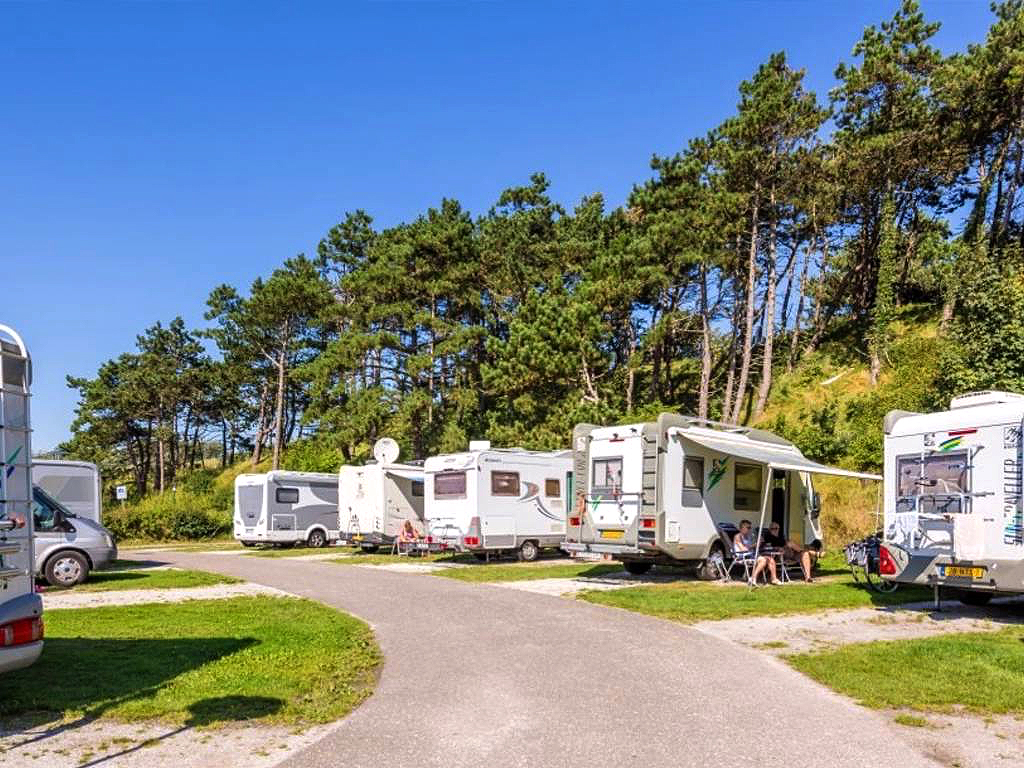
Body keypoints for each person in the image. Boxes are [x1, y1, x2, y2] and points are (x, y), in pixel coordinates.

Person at [733, 519, 781, 586]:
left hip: (751, 555)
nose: (749, 529)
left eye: (750, 527)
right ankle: (753, 578)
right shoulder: (738, 537)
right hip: (742, 556)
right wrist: (754, 545)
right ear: (742, 527)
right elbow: (743, 549)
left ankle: (774, 579)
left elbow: (751, 548)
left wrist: (759, 543)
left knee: (771, 559)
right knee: (763, 560)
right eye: (748, 527)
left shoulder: (748, 536)